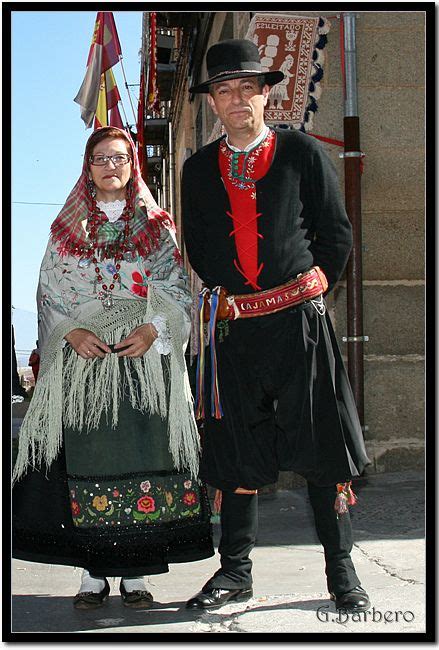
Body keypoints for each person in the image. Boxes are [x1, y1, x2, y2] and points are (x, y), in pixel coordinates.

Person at [181, 39, 371, 612]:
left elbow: (335, 232)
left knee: (320, 447)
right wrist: (231, 298)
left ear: (265, 94)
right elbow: (200, 246)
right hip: (236, 335)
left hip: (300, 328)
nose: (235, 99)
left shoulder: (300, 152)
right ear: (213, 102)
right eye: (223, 90)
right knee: (237, 452)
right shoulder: (196, 169)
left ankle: (341, 573)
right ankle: (234, 573)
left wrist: (314, 284)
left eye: (246, 88)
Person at [12, 126, 213, 610]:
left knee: (142, 457)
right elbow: (49, 294)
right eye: (100, 158)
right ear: (88, 167)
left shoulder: (157, 227)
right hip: (86, 363)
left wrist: (152, 330)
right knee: (87, 460)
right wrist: (70, 334)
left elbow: (176, 289)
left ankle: (137, 574)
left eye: (119, 157)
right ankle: (92, 574)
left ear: (132, 166)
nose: (110, 166)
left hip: (143, 360)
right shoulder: (65, 230)